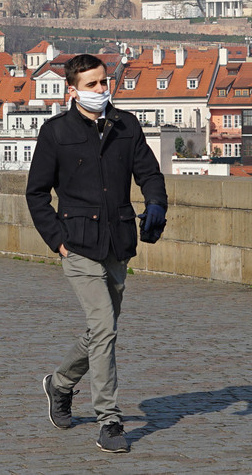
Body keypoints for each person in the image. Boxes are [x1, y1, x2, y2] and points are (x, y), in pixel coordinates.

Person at [25, 54, 167, 454]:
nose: (102, 90)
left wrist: (156, 203)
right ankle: (109, 420)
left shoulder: (126, 125)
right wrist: (57, 239)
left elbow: (150, 174)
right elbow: (36, 193)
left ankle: (59, 383)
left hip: (117, 241)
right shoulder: (56, 132)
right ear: (73, 90)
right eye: (92, 85)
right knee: (105, 326)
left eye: (104, 83)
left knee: (101, 331)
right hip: (78, 244)